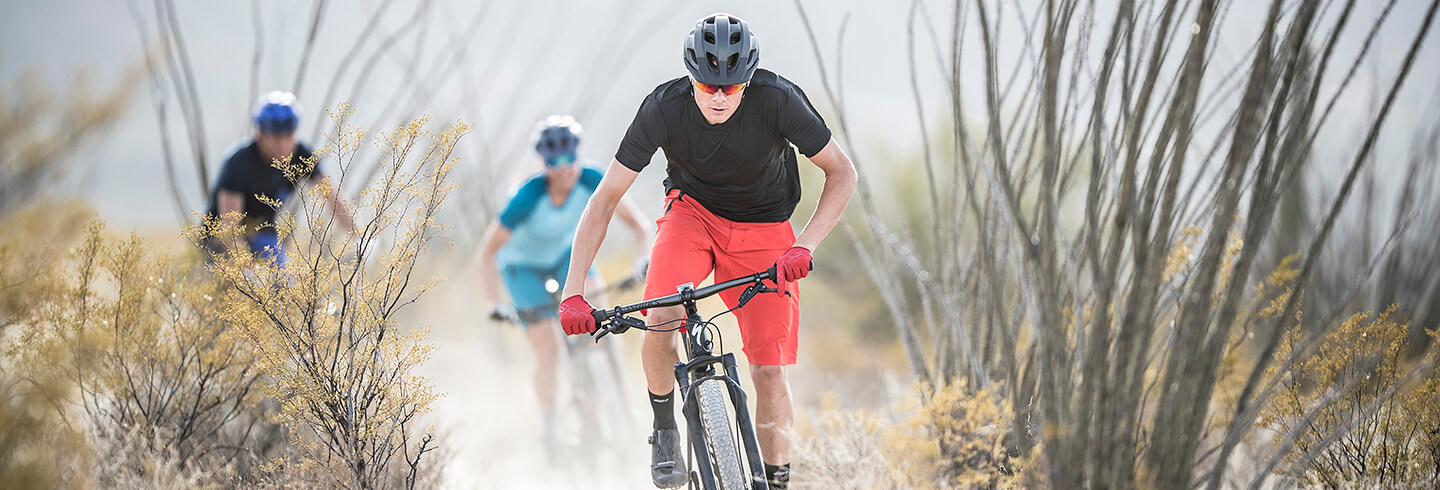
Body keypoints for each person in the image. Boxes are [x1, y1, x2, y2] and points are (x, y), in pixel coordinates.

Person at [556, 13, 857, 489]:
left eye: (731, 88)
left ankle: (777, 480)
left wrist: (804, 244)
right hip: (691, 215)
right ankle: (664, 428)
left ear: (748, 81)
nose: (719, 97)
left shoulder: (778, 100)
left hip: (766, 226)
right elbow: (604, 200)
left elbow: (842, 172)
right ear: (690, 77)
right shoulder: (663, 108)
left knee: (769, 371)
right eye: (707, 86)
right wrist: (573, 292)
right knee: (661, 317)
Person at [476, 115, 653, 444]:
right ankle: (549, 428)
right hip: (522, 268)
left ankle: (625, 407)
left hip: (564, 259)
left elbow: (639, 226)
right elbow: (486, 253)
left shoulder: (592, 178)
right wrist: (494, 304)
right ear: (543, 162)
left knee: (605, 323)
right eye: (553, 161)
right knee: (548, 352)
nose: (563, 167)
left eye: (569, 157)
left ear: (577, 154)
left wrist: (643, 259)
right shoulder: (528, 195)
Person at [202, 91, 355, 265]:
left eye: (288, 136)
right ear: (260, 134)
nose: (283, 145)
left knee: (284, 277)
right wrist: (245, 269)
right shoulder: (238, 163)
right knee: (231, 277)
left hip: (263, 234)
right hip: (219, 240)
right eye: (276, 137)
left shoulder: (302, 156)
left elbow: (333, 198)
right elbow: (229, 229)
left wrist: (361, 238)